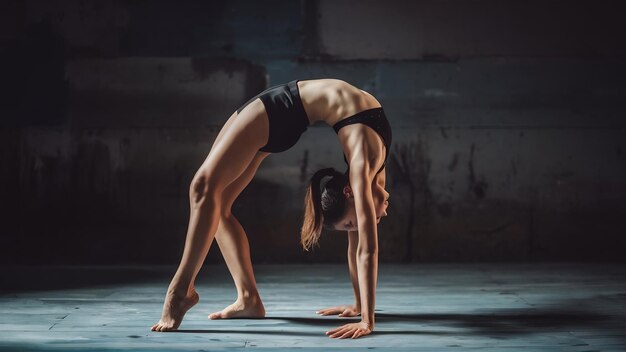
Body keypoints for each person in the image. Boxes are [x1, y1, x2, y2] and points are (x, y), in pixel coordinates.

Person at [151, 78, 391, 339]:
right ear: (349, 192)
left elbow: (359, 246)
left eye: (350, 224)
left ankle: (209, 296)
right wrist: (367, 320)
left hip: (284, 111)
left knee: (206, 192)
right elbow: (366, 249)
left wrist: (360, 308)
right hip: (284, 107)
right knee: (207, 196)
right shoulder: (363, 169)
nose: (381, 216)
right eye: (351, 223)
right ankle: (219, 296)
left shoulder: (367, 174)